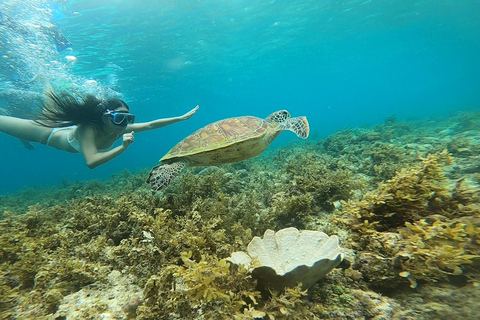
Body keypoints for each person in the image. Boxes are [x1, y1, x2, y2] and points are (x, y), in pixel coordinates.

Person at [0, 91, 199, 168]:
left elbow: (151, 124)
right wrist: (122, 148)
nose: (124, 123)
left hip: (65, 128)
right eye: (119, 118)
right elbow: (91, 161)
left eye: (128, 119)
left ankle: (45, 86)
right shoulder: (88, 129)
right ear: (105, 117)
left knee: (50, 104)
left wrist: (180, 118)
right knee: (4, 122)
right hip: (46, 133)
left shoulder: (118, 128)